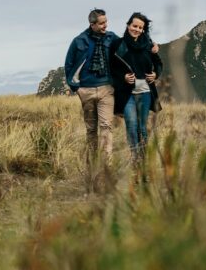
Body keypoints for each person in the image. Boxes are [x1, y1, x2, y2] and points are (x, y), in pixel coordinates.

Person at [65, 8, 119, 162]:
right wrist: (77, 88)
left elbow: (126, 48)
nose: (105, 26)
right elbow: (68, 65)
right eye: (102, 23)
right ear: (92, 24)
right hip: (86, 90)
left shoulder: (111, 37)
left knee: (106, 126)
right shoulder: (78, 41)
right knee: (91, 130)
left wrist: (151, 47)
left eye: (106, 22)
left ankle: (105, 166)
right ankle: (92, 164)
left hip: (106, 89)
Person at [109, 12, 163, 162]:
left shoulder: (149, 45)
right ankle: (135, 158)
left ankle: (144, 158)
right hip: (127, 93)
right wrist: (123, 77)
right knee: (132, 125)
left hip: (145, 92)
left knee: (142, 127)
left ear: (143, 30)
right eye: (134, 26)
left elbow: (158, 63)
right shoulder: (118, 45)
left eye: (140, 27)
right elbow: (111, 69)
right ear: (128, 25)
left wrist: (155, 74)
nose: (137, 29)